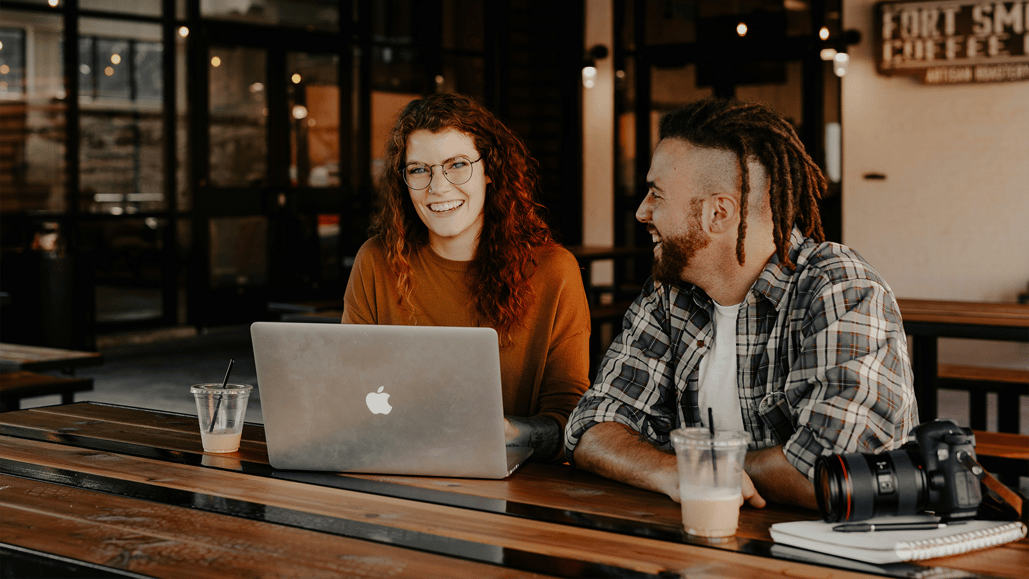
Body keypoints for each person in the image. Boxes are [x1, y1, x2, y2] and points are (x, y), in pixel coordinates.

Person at [564, 97, 918, 508]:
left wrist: (698, 470)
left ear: (719, 213)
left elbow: (833, 470)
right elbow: (591, 427)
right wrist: (667, 471)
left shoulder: (841, 289)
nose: (642, 211)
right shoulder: (669, 293)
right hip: (705, 544)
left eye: (656, 195)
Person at [343, 92, 591, 463]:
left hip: (513, 483)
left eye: (456, 164)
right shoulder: (376, 260)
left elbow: (570, 418)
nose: (438, 187)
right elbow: (344, 389)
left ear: (490, 170)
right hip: (390, 465)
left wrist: (510, 432)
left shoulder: (553, 270)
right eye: (418, 169)